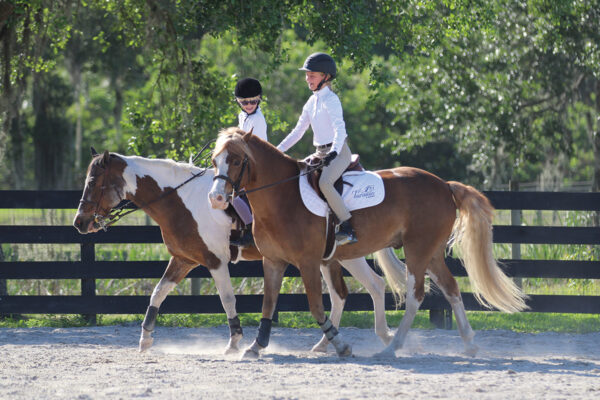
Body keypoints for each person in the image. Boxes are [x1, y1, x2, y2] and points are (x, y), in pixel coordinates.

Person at [277, 52, 357, 245]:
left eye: (312, 75)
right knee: (298, 179)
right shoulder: (311, 102)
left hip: (338, 152)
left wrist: (334, 152)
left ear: (326, 77)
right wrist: (276, 150)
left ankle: (347, 226)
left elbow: (340, 129)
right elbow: (298, 132)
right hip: (320, 152)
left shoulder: (331, 100)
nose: (307, 79)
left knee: (325, 183)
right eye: (307, 75)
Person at [230, 77, 267, 247]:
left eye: (253, 101)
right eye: (244, 102)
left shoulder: (257, 120)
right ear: (238, 102)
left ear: (259, 99)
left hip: (257, 161)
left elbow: (251, 146)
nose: (249, 105)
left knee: (236, 197)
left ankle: (251, 228)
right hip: (247, 159)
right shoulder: (242, 115)